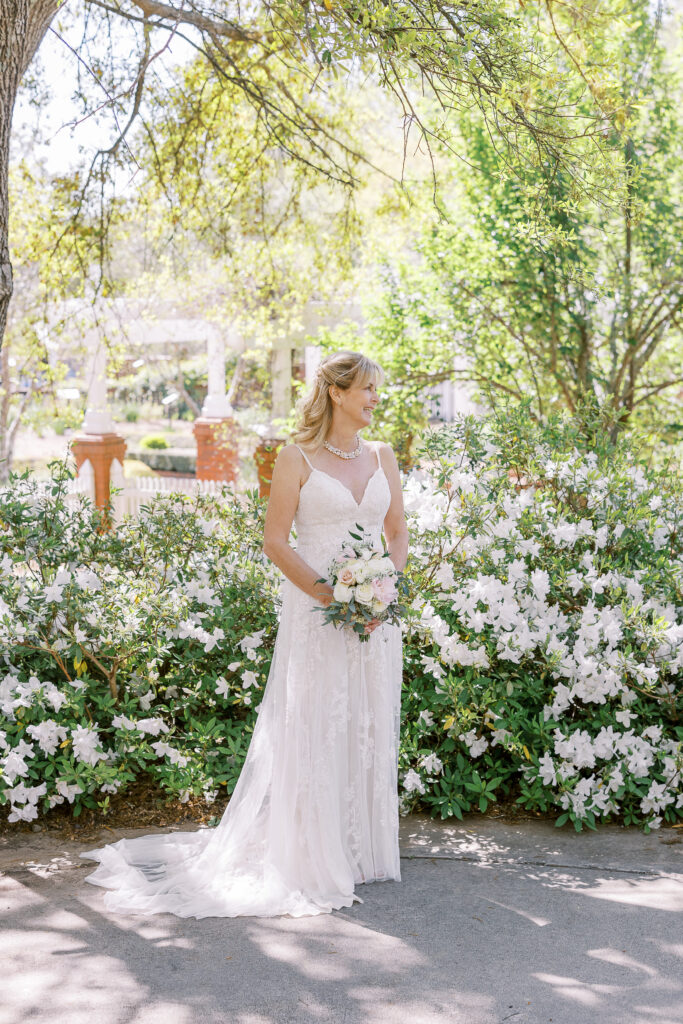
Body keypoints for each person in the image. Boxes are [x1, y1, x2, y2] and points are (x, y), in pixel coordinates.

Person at [82, 350, 408, 918]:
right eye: (368, 389)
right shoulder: (295, 458)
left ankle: (361, 852)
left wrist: (385, 591)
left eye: (377, 389)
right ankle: (313, 855)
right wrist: (334, 596)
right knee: (317, 723)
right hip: (316, 613)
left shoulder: (383, 456)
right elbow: (276, 541)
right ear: (337, 392)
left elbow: (397, 532)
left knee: (365, 720)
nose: (376, 399)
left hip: (376, 620)